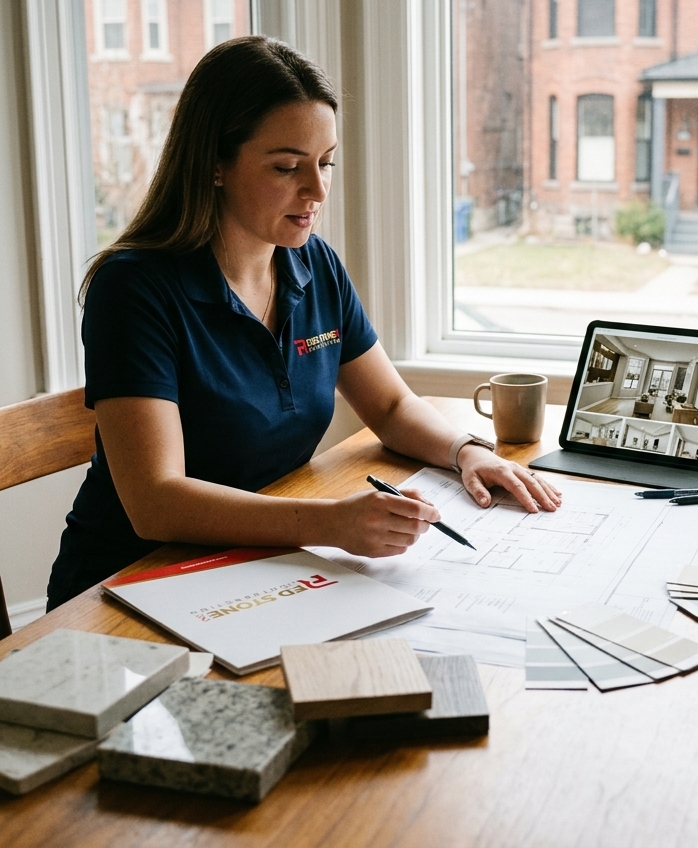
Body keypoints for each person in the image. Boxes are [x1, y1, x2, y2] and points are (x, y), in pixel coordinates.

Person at [47, 36, 560, 610]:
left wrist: (469, 451)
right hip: (130, 587)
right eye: (288, 167)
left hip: (258, 568)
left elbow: (389, 407)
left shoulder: (314, 264)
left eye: (326, 162)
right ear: (215, 164)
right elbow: (155, 503)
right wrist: (331, 523)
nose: (317, 191)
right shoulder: (133, 288)